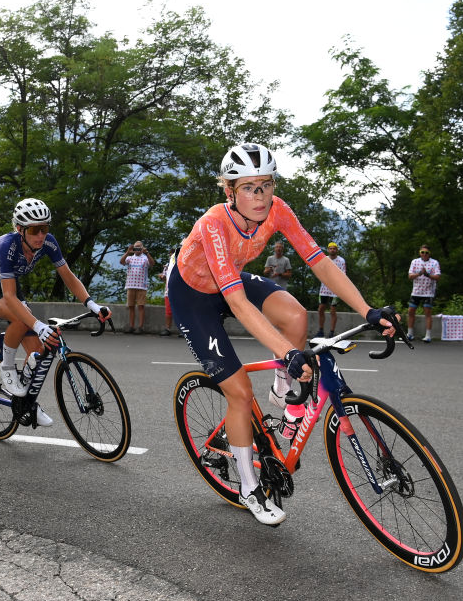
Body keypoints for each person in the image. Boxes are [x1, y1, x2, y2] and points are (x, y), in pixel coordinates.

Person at [167, 143, 393, 526]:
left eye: (266, 185)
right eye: (249, 187)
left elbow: (320, 262)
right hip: (193, 295)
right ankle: (249, 487)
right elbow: (238, 304)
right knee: (238, 392)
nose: (260, 196)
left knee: (295, 315)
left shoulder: (278, 209)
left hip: (229, 281)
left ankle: (284, 390)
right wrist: (287, 352)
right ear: (229, 191)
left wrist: (367, 309)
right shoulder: (213, 223)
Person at [0, 198, 111, 427]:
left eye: (45, 228)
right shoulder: (7, 245)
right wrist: (38, 326)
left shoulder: (48, 243)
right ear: (19, 229)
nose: (41, 235)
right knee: (21, 317)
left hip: (11, 288)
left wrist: (92, 305)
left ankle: (25, 404)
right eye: (35, 230)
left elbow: (68, 277)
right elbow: (9, 298)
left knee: (36, 353)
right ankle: (6, 368)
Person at [406, 244, 441, 343]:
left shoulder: (434, 263)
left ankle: (428, 335)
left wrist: (427, 274)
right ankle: (409, 334)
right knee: (411, 311)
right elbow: (410, 276)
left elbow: (438, 277)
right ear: (420, 253)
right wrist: (420, 273)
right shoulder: (415, 262)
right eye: (422, 252)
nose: (424, 254)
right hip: (416, 291)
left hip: (428, 292)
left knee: (428, 313)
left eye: (426, 253)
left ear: (429, 254)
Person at [120, 241, 155, 334]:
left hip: (141, 286)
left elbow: (152, 263)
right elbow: (121, 262)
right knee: (131, 306)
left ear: (142, 248)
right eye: (135, 247)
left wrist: (147, 253)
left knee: (141, 306)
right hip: (130, 285)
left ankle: (140, 327)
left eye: (139, 247)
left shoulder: (145, 258)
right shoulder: (130, 258)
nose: (137, 249)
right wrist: (128, 252)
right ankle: (131, 326)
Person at [317, 242, 346, 337]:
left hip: (336, 289)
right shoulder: (324, 259)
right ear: (328, 250)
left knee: (332, 310)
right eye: (330, 248)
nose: (332, 250)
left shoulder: (341, 261)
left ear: (337, 250)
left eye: (334, 248)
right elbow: (319, 271)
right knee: (321, 309)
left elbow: (343, 274)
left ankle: (331, 332)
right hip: (324, 288)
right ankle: (321, 330)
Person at [157, 246, 178, 336]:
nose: (171, 256)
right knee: (168, 311)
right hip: (168, 291)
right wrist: (162, 276)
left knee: (179, 311)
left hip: (178, 291)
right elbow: (164, 277)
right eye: (170, 255)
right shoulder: (167, 265)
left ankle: (182, 330)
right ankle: (167, 328)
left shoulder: (180, 263)